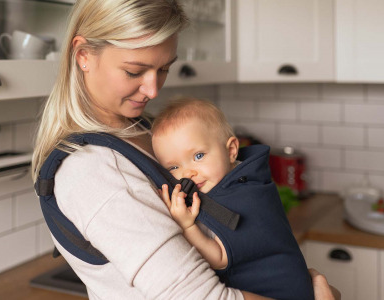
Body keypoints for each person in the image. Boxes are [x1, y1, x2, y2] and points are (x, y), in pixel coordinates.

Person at [31, 0, 338, 299]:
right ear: (84, 55)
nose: (153, 90)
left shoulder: (148, 132)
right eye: (134, 71)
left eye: (163, 69)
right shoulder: (94, 170)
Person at [151, 98, 313, 300]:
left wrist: (187, 227)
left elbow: (219, 258)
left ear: (231, 150)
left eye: (199, 156)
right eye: (174, 167)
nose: (188, 173)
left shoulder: (247, 196)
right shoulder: (231, 184)